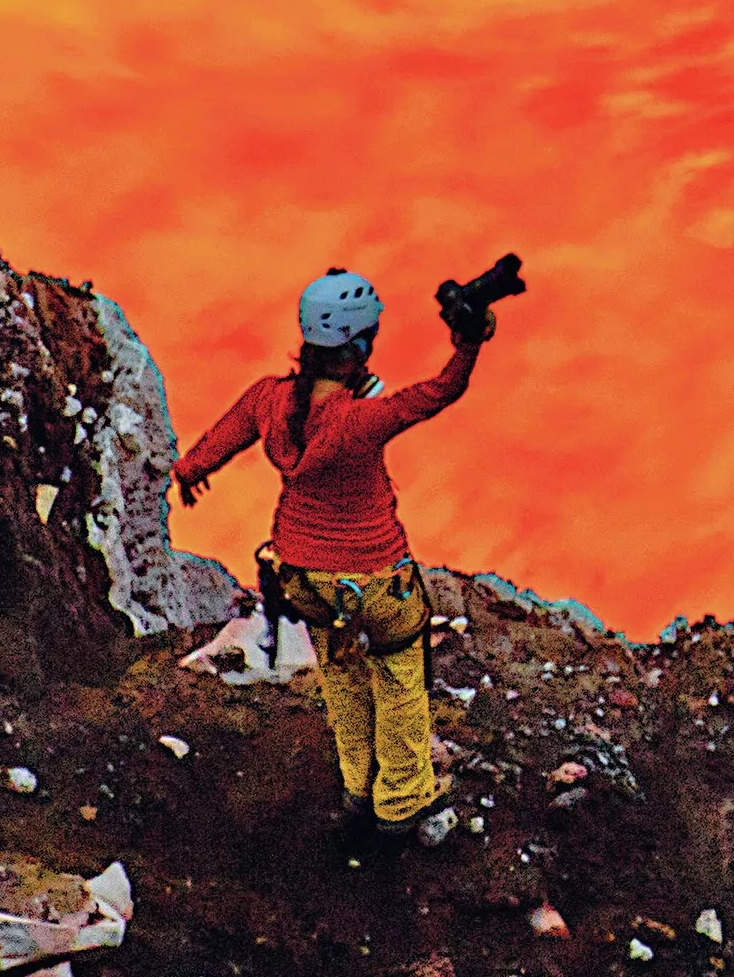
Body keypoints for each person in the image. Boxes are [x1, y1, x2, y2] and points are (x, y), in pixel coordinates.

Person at [175, 266, 497, 858]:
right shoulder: (360, 419)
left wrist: (190, 470)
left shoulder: (271, 400)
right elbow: (438, 392)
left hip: (302, 573)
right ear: (355, 347)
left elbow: (226, 435)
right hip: (374, 571)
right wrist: (470, 341)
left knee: (342, 675)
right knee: (400, 678)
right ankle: (401, 802)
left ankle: (358, 786)